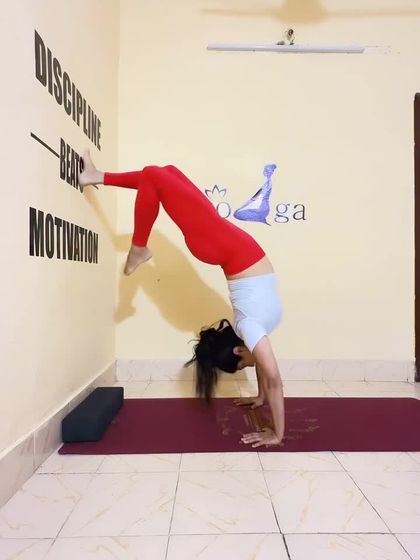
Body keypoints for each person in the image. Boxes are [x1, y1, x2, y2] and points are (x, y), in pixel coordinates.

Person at [79, 151, 285, 447]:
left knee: (156, 174)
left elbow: (270, 375)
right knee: (163, 172)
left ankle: (138, 246)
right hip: (221, 241)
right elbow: (271, 375)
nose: (252, 367)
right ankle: (101, 184)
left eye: (244, 366)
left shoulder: (250, 329)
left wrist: (273, 423)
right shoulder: (253, 330)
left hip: (216, 242)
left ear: (240, 350)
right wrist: (265, 407)